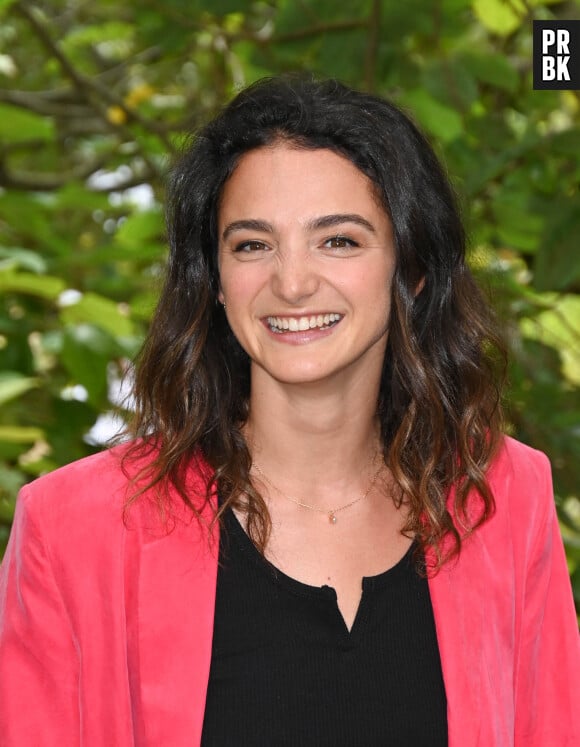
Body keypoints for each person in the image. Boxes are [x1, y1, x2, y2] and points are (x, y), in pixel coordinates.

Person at [0, 75, 578, 747]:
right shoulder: (74, 527)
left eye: (339, 240)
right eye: (252, 244)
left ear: (412, 269)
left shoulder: (505, 495)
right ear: (214, 282)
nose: (292, 281)